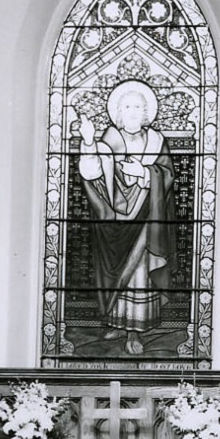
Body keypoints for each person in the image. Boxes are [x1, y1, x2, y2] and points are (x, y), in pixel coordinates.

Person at [76, 80, 176, 355]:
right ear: (119, 112)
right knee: (118, 273)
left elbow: (167, 174)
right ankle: (118, 323)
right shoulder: (109, 139)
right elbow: (93, 174)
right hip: (113, 223)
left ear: (146, 112)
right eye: (128, 106)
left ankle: (135, 331)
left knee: (140, 274)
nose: (133, 111)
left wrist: (144, 174)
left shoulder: (156, 141)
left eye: (138, 106)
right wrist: (87, 141)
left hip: (147, 216)